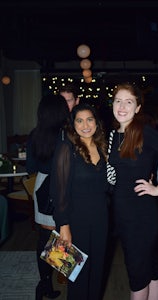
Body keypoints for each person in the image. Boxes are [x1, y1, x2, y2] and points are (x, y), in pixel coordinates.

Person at [107, 82, 158, 300]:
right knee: (150, 270)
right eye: (118, 101)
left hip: (142, 216)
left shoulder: (145, 132)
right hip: (123, 215)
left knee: (137, 276)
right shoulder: (114, 135)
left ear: (138, 108)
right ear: (112, 104)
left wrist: (157, 189)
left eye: (129, 102)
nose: (122, 106)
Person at [50, 103, 109, 300]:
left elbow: (109, 184)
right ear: (72, 124)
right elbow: (58, 191)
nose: (85, 125)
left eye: (89, 119)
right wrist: (63, 226)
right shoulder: (66, 148)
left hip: (101, 218)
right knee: (76, 276)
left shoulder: (102, 146)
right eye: (80, 120)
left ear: (97, 123)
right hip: (75, 221)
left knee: (97, 272)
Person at [26, 94, 70, 300]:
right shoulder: (65, 135)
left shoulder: (35, 134)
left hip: (42, 187)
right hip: (61, 187)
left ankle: (44, 284)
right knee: (61, 238)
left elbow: (31, 167)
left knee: (45, 238)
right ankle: (60, 280)